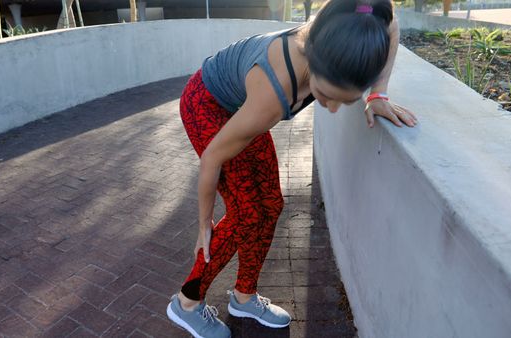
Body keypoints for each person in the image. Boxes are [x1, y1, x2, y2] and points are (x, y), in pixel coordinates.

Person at [166, 0, 417, 337]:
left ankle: (243, 296)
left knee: (270, 204)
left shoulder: (356, 24)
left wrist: (377, 94)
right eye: (325, 95)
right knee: (246, 212)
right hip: (206, 104)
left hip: (241, 106)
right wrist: (203, 224)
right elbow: (212, 158)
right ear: (311, 62)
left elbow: (389, 23)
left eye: (345, 100)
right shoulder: (271, 96)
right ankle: (187, 302)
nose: (329, 108)